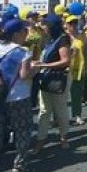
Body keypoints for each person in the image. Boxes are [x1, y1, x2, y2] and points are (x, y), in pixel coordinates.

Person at [0, 18, 35, 172]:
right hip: (18, 96)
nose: (27, 33)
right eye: (25, 31)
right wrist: (36, 69)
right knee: (22, 131)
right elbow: (24, 75)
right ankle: (19, 165)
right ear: (17, 33)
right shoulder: (22, 52)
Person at [32, 14, 71, 153]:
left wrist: (45, 65)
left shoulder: (63, 39)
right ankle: (41, 138)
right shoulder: (48, 39)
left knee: (60, 109)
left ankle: (63, 136)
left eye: (45, 24)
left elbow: (66, 60)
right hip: (46, 76)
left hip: (58, 77)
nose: (42, 27)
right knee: (44, 110)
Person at [66, 15, 87, 126]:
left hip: (78, 69)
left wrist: (86, 66)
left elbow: (86, 51)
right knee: (62, 94)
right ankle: (58, 118)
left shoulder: (82, 36)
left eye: (75, 23)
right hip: (65, 69)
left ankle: (77, 115)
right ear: (66, 25)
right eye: (70, 24)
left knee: (77, 94)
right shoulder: (64, 37)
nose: (73, 26)